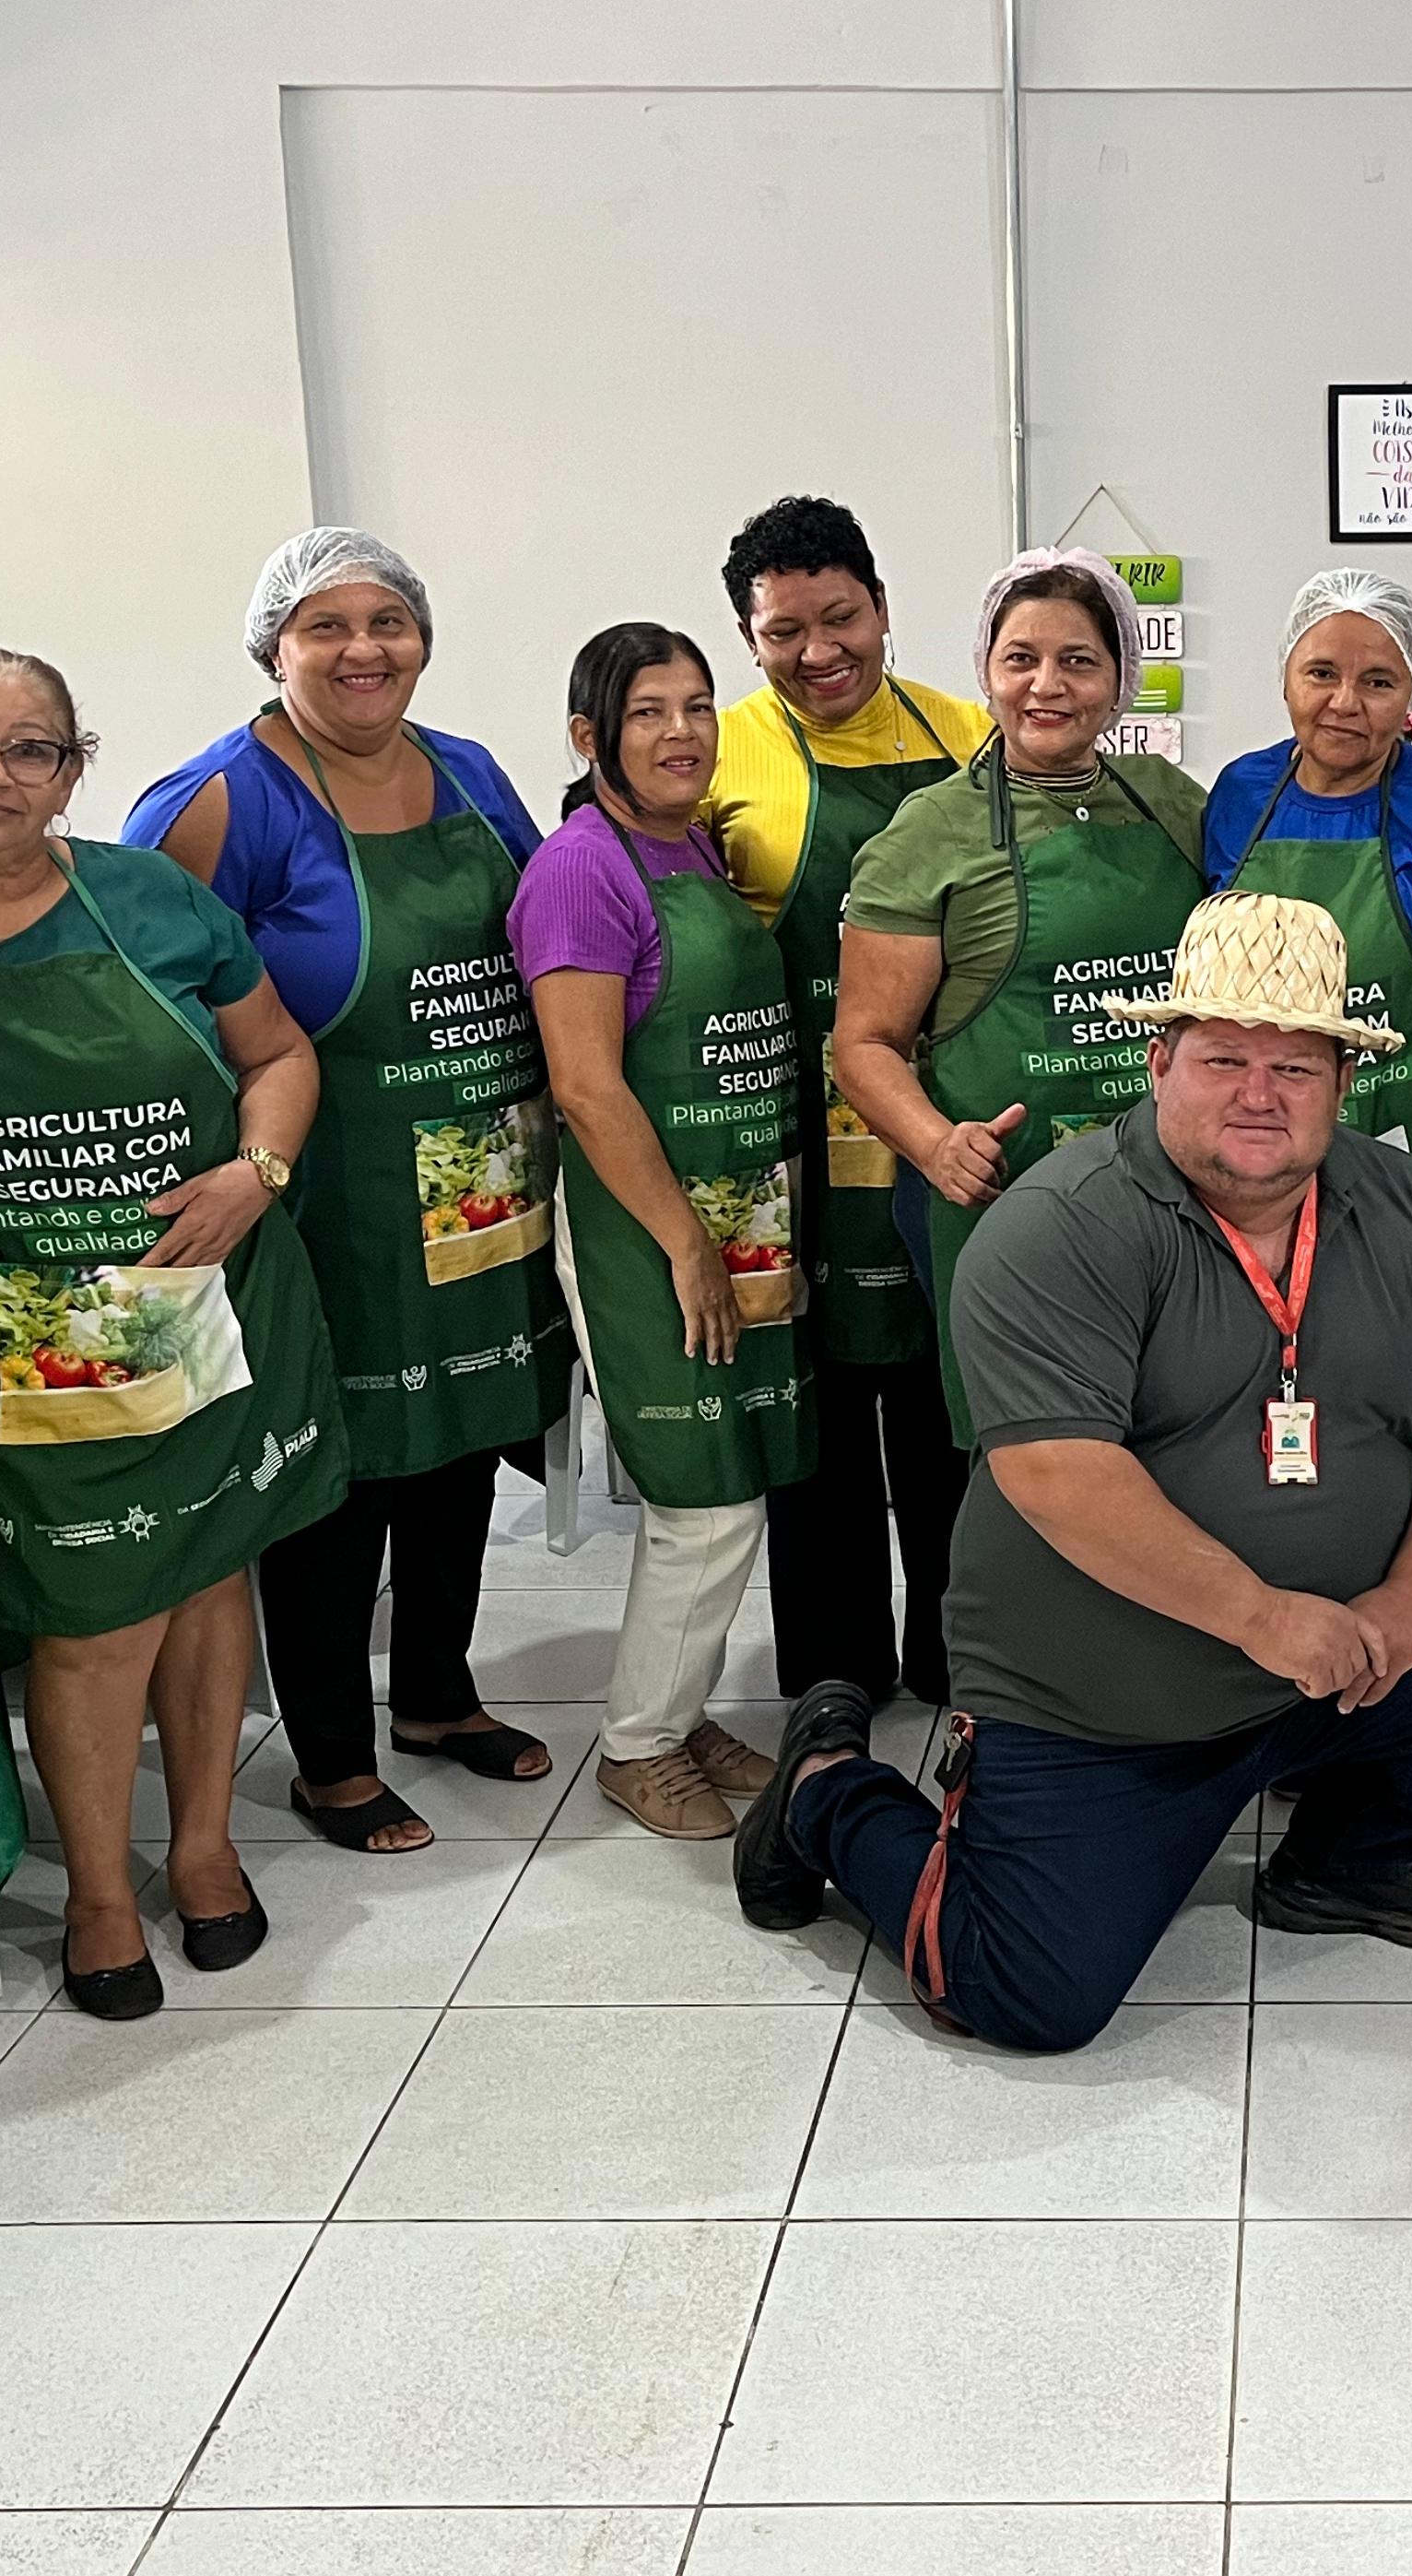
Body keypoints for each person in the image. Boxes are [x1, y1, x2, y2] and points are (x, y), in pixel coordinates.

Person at [729, 893, 1412, 2052]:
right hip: (1102, 1698)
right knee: (1019, 1996)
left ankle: (1350, 1862)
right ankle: (830, 1792)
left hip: (1328, 1659)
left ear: (1344, 1081)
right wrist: (1264, 1615)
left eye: (1296, 1064)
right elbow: (1058, 1475)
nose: (1259, 1093)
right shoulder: (1061, 1226)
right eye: (1224, 1057)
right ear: (1159, 1057)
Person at [0, 645, 347, 2019]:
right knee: (96, 1616)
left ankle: (204, 1845)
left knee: (209, 1572)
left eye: (31, 749)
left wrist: (251, 1176)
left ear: (73, 771)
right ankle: (100, 1891)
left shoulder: (153, 899)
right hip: (29, 1339)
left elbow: (278, 1057)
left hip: (200, 1291)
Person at [127, 527, 571, 1855]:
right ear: (275, 647)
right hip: (321, 1191)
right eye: (328, 626)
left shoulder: (471, 772)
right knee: (335, 1467)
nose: (365, 649)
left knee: (459, 1444)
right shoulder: (218, 800)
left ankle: (437, 1694)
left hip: (479, 1172)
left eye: (390, 622)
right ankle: (331, 1753)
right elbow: (147, 1008)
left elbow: (546, 936)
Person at [510, 624, 813, 1835]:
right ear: (590, 737)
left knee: (733, 1471)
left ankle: (679, 1712)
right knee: (701, 1491)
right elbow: (587, 1086)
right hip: (649, 1224)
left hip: (739, 1210)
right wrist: (686, 1244)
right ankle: (637, 1744)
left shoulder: (690, 847)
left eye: (698, 706)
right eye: (649, 713)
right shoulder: (583, 870)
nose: (683, 731)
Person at [707, 497, 994, 1714]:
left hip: (944, 1115)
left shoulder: (974, 732)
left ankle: (955, 1648)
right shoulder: (715, 752)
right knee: (815, 1409)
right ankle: (832, 1667)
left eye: (841, 619)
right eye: (783, 631)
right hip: (787, 1130)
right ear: (746, 635)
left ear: (882, 608)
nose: (819, 651)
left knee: (945, 1391)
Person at [829, 547, 1209, 1442]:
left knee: (1173, 1441)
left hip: (1169, 1196)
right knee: (1029, 1464)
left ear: (1120, 681)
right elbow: (864, 1042)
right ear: (987, 672)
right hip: (1000, 1200)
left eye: (1079, 661)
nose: (1048, 685)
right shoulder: (929, 834)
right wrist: (935, 1145)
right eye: (1021, 659)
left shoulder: (1172, 804)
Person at [1206, 567, 1412, 1241]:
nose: (1345, 702)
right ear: (1286, 678)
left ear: (1411, 694)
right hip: (1257, 1161)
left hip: (1411, 1162)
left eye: (1379, 682)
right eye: (1321, 673)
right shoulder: (1240, 795)